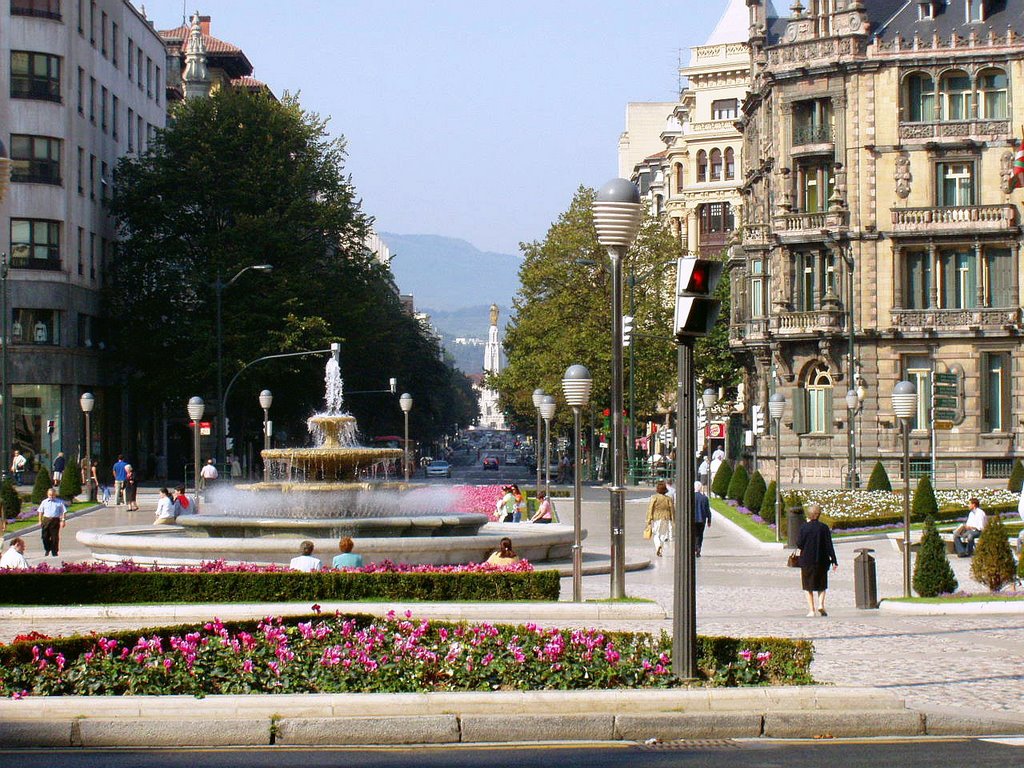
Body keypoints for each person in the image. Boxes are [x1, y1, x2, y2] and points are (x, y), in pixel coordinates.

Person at [796, 503, 838, 617]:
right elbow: (829, 545)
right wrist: (834, 560)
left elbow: (799, 544)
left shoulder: (804, 527)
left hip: (807, 560)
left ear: (809, 515)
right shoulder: (824, 528)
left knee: (807, 586)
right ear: (819, 515)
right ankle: (821, 604)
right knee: (822, 584)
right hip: (822, 560)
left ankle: (811, 610)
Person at [646, 480, 674, 558]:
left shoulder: (654, 497)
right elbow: (672, 509)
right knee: (663, 534)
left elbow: (650, 508)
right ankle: (660, 549)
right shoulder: (668, 499)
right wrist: (673, 519)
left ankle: (658, 546)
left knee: (656, 534)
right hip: (666, 518)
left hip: (657, 518)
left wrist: (648, 519)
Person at [37, 487, 67, 557]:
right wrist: (40, 521)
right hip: (46, 520)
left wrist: (63, 521)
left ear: (55, 495)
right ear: (47, 495)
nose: (51, 496)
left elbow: (64, 512)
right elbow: (40, 511)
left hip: (55, 521)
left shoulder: (59, 502)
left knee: (54, 537)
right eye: (50, 495)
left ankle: (54, 551)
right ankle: (47, 548)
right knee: (44, 537)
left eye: (52, 495)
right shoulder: (44, 502)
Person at [694, 481, 712, 557]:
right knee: (700, 535)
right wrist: (709, 520)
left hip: (693, 520)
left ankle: (694, 548)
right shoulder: (704, 498)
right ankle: (698, 549)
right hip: (701, 520)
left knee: (693, 534)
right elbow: (707, 510)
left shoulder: (690, 497)